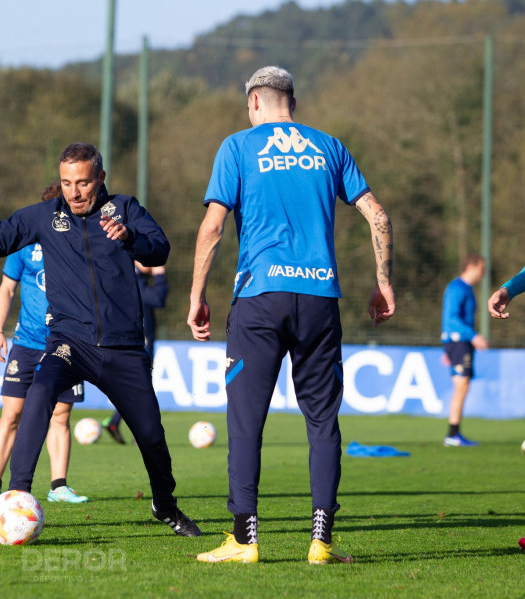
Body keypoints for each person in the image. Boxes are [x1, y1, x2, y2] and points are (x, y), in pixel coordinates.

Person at [187, 66, 394, 564]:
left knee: (246, 419)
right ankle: (321, 540)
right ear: (292, 105)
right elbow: (379, 215)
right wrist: (384, 282)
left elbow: (213, 228)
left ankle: (245, 539)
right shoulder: (328, 146)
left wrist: (196, 294)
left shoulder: (237, 147)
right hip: (320, 297)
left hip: (260, 298)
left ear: (254, 103)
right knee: (322, 419)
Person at [0, 142, 201, 537]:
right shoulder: (45, 217)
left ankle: (165, 505)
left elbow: (159, 249)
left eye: (83, 182)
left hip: (124, 348)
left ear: (100, 178)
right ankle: (16, 497)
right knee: (41, 392)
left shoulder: (125, 209)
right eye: (67, 183)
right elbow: (0, 235)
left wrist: (131, 236)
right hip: (70, 342)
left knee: (151, 435)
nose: (74, 192)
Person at [0, 181, 89, 505]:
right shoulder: (25, 245)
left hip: (69, 342)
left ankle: (58, 486)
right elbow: (6, 289)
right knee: (12, 412)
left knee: (60, 415)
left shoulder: (82, 243)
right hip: (27, 342)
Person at [102, 262, 168, 444]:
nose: (152, 261)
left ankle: (116, 421)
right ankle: (140, 431)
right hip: (139, 340)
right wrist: (160, 274)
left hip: (138, 338)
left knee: (137, 384)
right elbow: (157, 299)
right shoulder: (134, 279)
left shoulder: (129, 276)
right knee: (140, 384)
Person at [440, 253, 488, 447]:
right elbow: (451, 318)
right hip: (460, 341)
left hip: (459, 343)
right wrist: (473, 335)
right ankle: (452, 434)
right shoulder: (457, 287)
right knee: (461, 387)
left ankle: (454, 433)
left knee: (462, 387)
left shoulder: (466, 288)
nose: (484, 272)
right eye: (482, 268)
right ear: (471, 266)